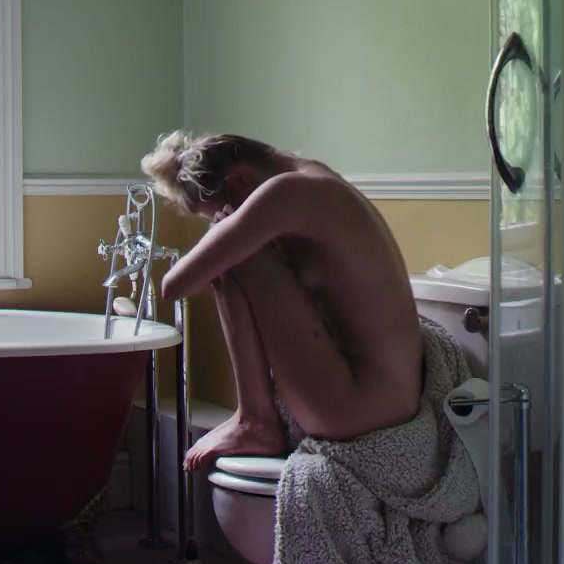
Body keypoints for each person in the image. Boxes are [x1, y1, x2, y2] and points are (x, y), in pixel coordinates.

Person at [139, 132, 424, 471]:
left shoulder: (286, 192)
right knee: (234, 247)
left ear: (240, 178)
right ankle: (253, 418)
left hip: (359, 410)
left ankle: (255, 421)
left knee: (231, 255)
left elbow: (174, 286)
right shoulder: (315, 178)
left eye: (224, 210)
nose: (226, 218)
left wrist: (221, 232)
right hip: (391, 400)